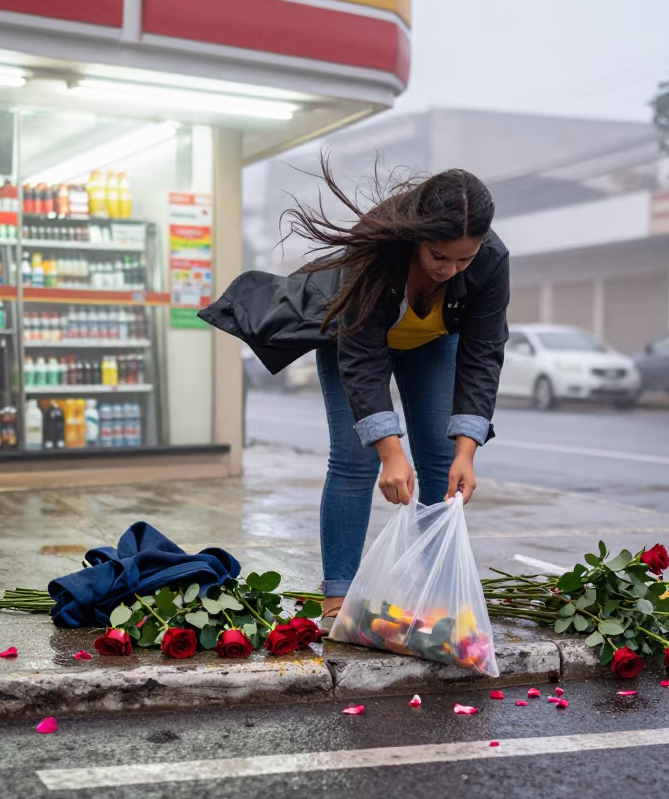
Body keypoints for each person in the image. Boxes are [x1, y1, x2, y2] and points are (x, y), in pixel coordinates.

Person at [200, 158, 509, 630]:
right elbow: (362, 359)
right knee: (354, 459)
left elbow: (483, 353)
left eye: (463, 259)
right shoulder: (378, 246)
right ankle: (338, 597)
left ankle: (429, 593)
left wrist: (467, 450)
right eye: (438, 257)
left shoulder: (491, 261)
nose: (450, 270)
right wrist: (389, 452)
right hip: (357, 336)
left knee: (438, 462)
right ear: (417, 238)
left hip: (432, 341)